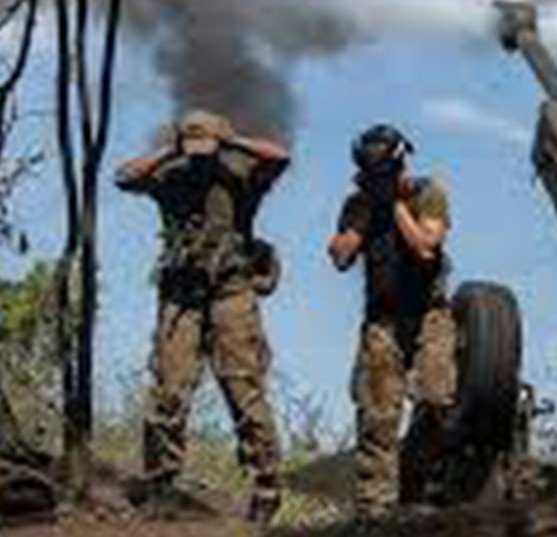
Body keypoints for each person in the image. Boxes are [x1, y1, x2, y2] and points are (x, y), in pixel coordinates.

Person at [115, 110, 288, 525]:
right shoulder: (170, 174)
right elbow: (123, 177)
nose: (199, 157)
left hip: (232, 291)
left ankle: (267, 487)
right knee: (170, 390)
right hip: (181, 295)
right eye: (191, 149)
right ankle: (160, 483)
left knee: (244, 390)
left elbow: (279, 158)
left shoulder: (240, 173)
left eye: (204, 149)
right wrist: (169, 149)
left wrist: (233, 139)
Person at [328, 124, 456, 520]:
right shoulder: (357, 204)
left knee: (436, 399)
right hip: (382, 319)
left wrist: (396, 205)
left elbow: (424, 247)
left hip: (429, 315)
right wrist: (370, 209)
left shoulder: (427, 193)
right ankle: (375, 507)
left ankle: (421, 486)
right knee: (377, 414)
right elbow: (340, 255)